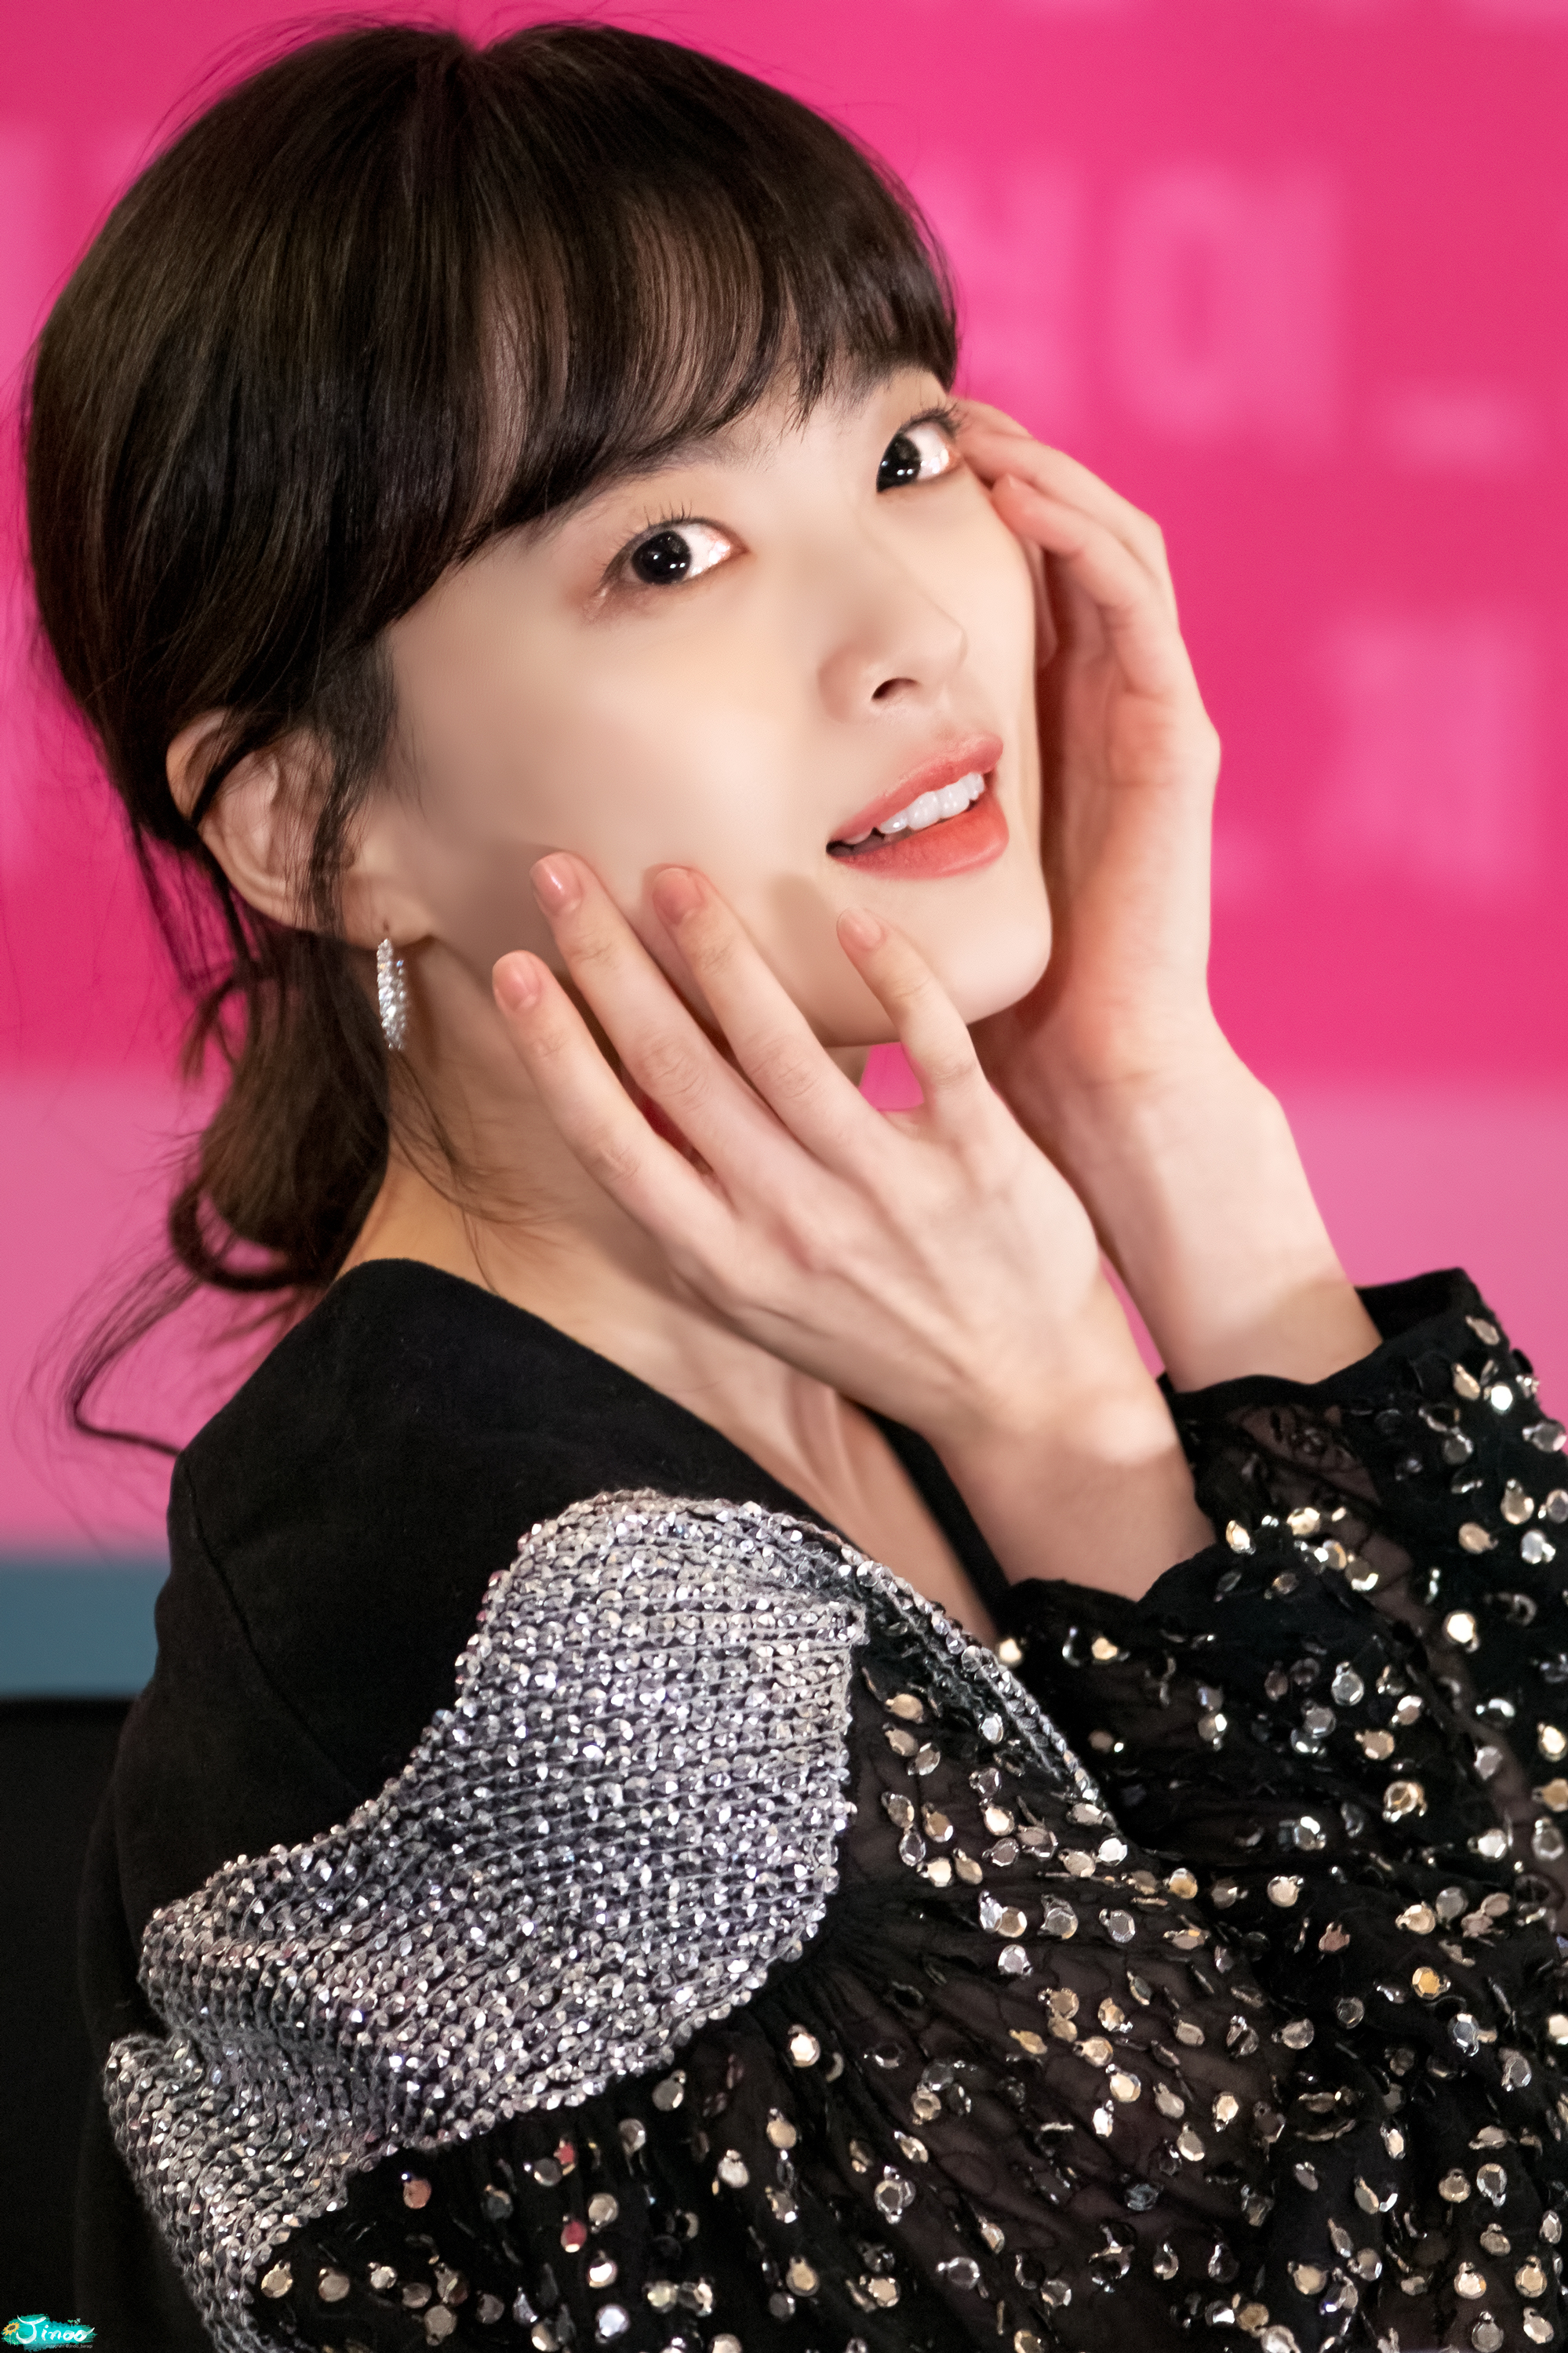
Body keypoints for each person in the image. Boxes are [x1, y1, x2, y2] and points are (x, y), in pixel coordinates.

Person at [26, 21, 1567, 2353]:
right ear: (317, 823)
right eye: (671, 552)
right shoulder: (513, 1638)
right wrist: (1083, 1453)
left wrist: (1162, 1116)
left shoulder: (881, 1370)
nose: (918, 632)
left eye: (907, 451)